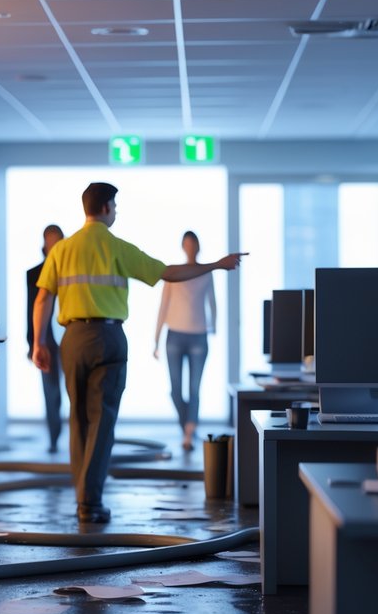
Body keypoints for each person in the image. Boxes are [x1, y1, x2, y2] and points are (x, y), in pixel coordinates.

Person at [32, 182, 244, 524]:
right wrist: (215, 265)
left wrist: (40, 343)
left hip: (73, 339)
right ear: (105, 208)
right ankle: (90, 502)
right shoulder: (117, 247)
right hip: (109, 338)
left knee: (79, 418)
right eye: (114, 205)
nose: (116, 211)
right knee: (102, 420)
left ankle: (83, 497)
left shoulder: (62, 250)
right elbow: (169, 273)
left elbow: (43, 298)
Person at [154, 230, 216, 452]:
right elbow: (163, 305)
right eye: (187, 244)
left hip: (199, 335)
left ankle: (189, 432)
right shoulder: (174, 273)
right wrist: (156, 339)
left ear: (198, 246)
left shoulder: (206, 272)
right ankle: (186, 425)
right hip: (174, 336)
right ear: (183, 247)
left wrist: (214, 327)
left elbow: (212, 301)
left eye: (193, 244)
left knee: (194, 388)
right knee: (176, 389)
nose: (190, 248)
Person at [26, 224, 65, 453]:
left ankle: (79, 440)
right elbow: (31, 310)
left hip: (71, 338)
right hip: (46, 340)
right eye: (50, 241)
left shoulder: (71, 271)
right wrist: (32, 343)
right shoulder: (34, 274)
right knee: (51, 392)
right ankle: (54, 437)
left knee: (77, 390)